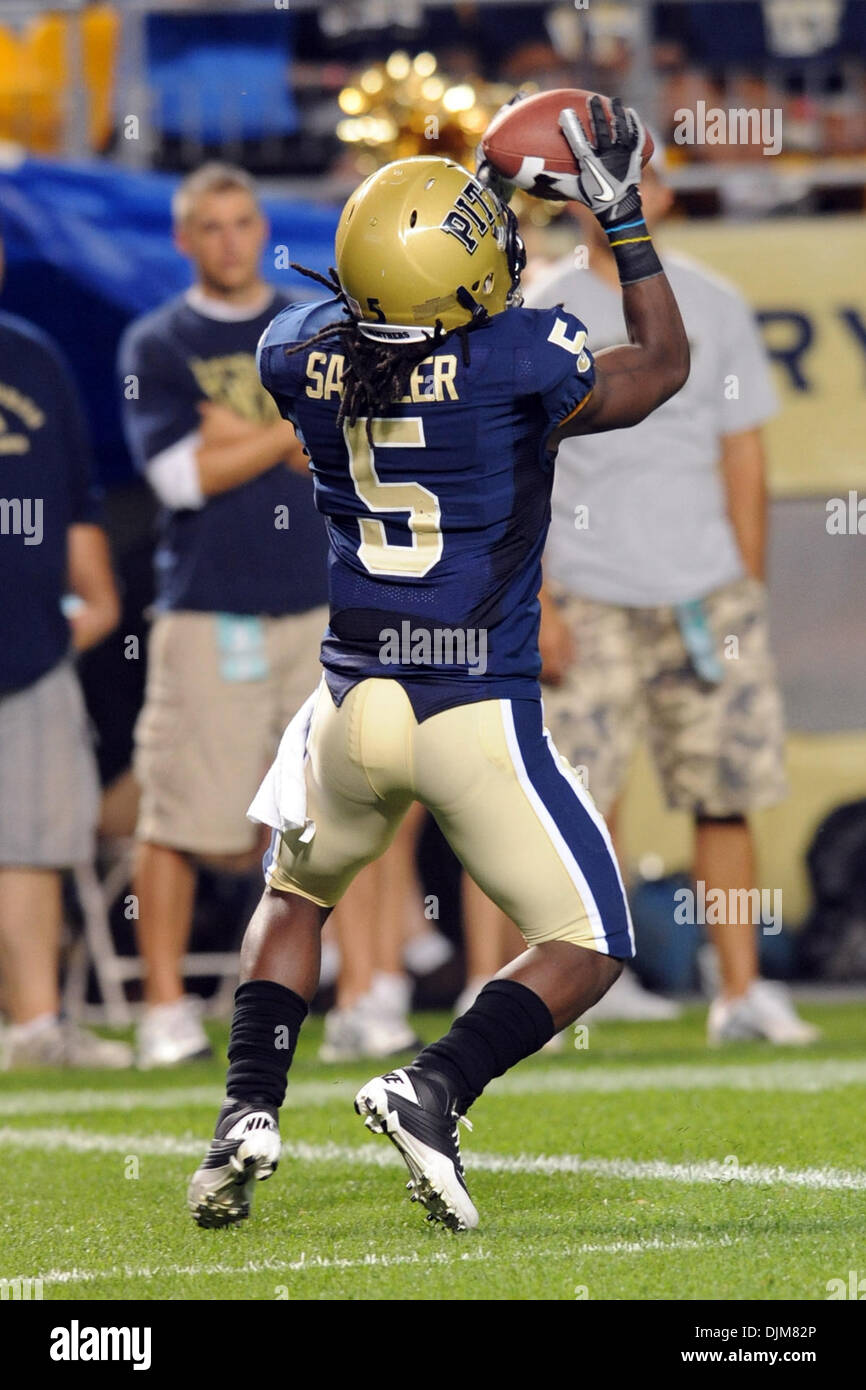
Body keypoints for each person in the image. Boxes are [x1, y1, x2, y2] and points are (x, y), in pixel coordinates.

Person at [187, 98, 689, 1232]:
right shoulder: (522, 363)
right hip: (470, 709)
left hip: (347, 704)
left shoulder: (293, 356)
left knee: (296, 891)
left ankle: (244, 1115)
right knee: (589, 938)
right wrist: (618, 217)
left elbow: (379, 310)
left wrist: (447, 208)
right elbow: (658, 364)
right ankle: (434, 1083)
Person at [528, 157, 817, 1044]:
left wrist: (746, 583)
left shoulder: (715, 298)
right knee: (582, 796)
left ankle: (740, 988)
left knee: (725, 792)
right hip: (587, 591)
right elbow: (517, 464)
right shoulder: (541, 308)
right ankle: (592, 978)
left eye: (640, 174)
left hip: (704, 592)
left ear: (663, 193)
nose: (625, 192)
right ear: (578, 200)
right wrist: (536, 596)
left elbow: (743, 450)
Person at [119, 162, 336, 1067]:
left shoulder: (308, 328)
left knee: (337, 816)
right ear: (184, 240)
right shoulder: (158, 343)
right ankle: (164, 1010)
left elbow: (340, 446)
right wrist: (285, 432)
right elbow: (178, 476)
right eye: (210, 226)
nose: (231, 240)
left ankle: (365, 995)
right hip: (209, 612)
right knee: (181, 818)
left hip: (322, 603)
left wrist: (231, 433)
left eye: (244, 222)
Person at [0, 230, 128, 1068]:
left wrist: (99, 594)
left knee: (35, 841)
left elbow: (73, 497)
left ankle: (37, 1027)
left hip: (31, 644)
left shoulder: (35, 358)